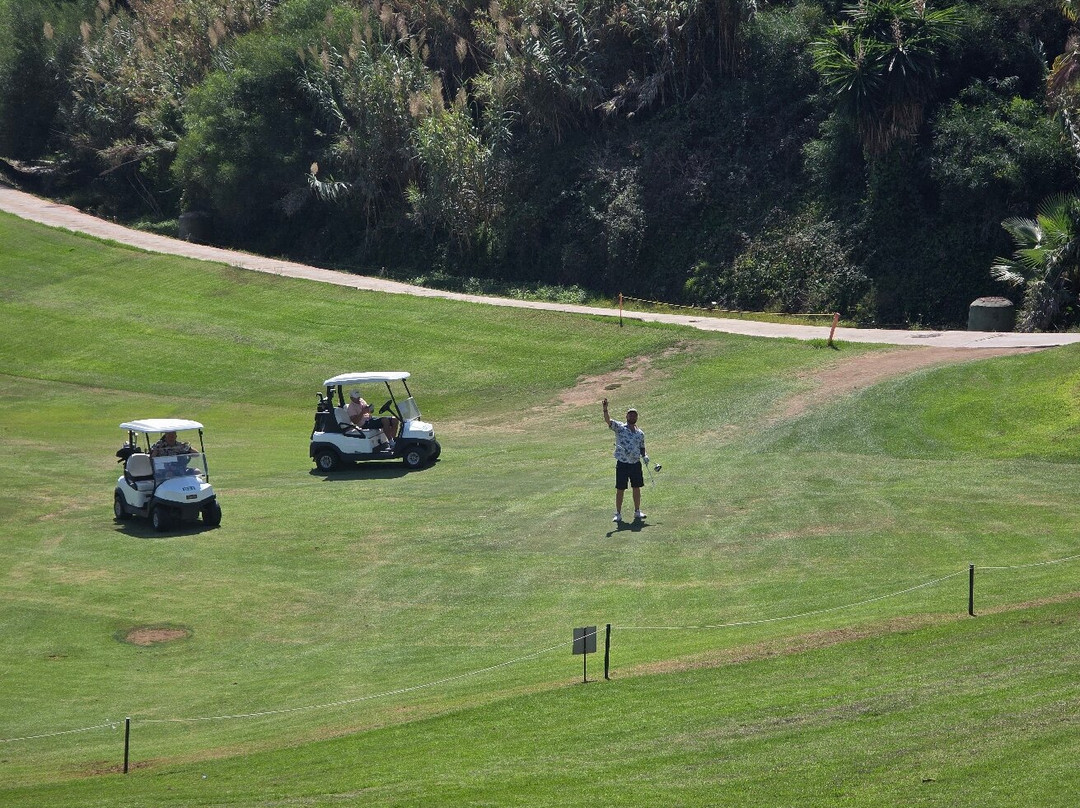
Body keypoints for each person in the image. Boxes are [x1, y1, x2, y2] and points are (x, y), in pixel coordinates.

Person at [602, 398, 647, 523]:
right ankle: (618, 513)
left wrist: (645, 456)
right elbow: (608, 421)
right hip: (622, 463)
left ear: (636, 417)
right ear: (626, 416)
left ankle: (637, 511)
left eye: (634, 415)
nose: (632, 416)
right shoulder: (620, 428)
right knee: (620, 489)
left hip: (635, 464)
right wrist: (605, 409)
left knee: (636, 487)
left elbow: (642, 447)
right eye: (630, 414)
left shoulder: (640, 433)